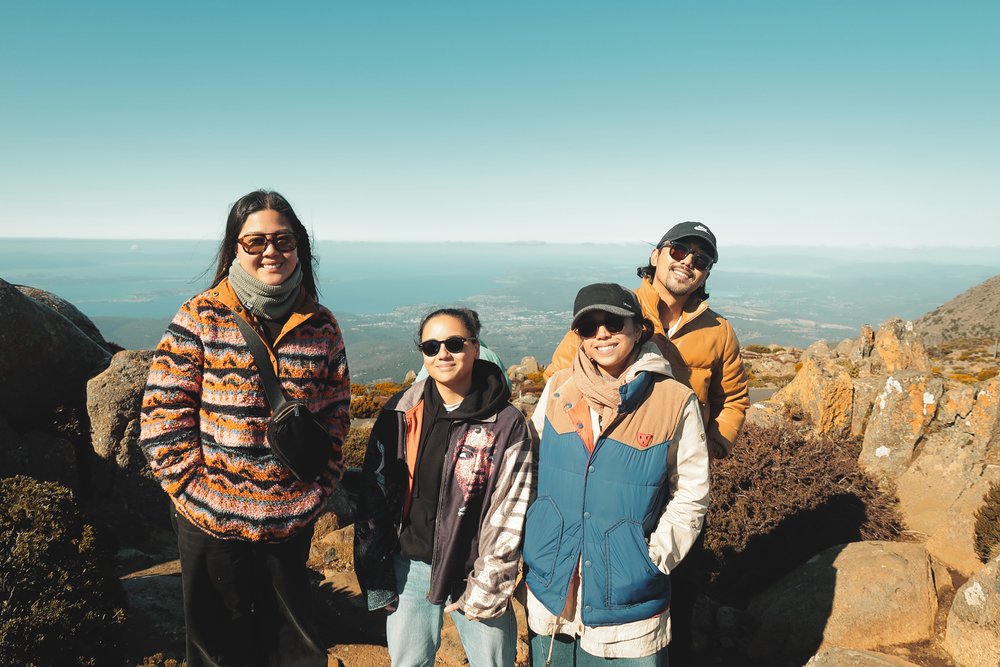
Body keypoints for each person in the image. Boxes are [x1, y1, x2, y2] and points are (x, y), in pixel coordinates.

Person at [139, 190, 350, 667]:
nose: (270, 251)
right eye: (254, 242)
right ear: (235, 248)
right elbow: (161, 421)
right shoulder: (200, 317)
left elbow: (336, 416)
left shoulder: (321, 325)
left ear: (299, 247)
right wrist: (201, 498)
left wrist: (315, 494)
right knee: (218, 653)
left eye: (283, 239)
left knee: (293, 651)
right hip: (211, 524)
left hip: (290, 519)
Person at [544, 222, 748, 663]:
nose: (688, 262)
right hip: (612, 469)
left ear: (707, 273)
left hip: (669, 475)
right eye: (679, 251)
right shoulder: (615, 309)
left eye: (701, 258)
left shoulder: (718, 331)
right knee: (596, 570)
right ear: (656, 255)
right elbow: (563, 375)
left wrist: (712, 448)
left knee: (678, 581)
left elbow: (732, 398)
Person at [522, 283, 710, 665]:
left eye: (613, 322)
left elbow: (692, 492)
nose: (601, 333)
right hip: (554, 582)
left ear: (639, 327)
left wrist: (652, 557)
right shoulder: (559, 388)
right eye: (588, 327)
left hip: (628, 598)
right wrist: (536, 532)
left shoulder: (673, 399)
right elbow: (533, 466)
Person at [353, 307, 533, 667]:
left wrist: (489, 582)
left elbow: (512, 508)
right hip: (412, 565)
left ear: (475, 346)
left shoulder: (506, 422)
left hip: (475, 570)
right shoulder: (401, 411)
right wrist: (375, 566)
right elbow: (374, 490)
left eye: (454, 343)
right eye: (431, 346)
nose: (442, 354)